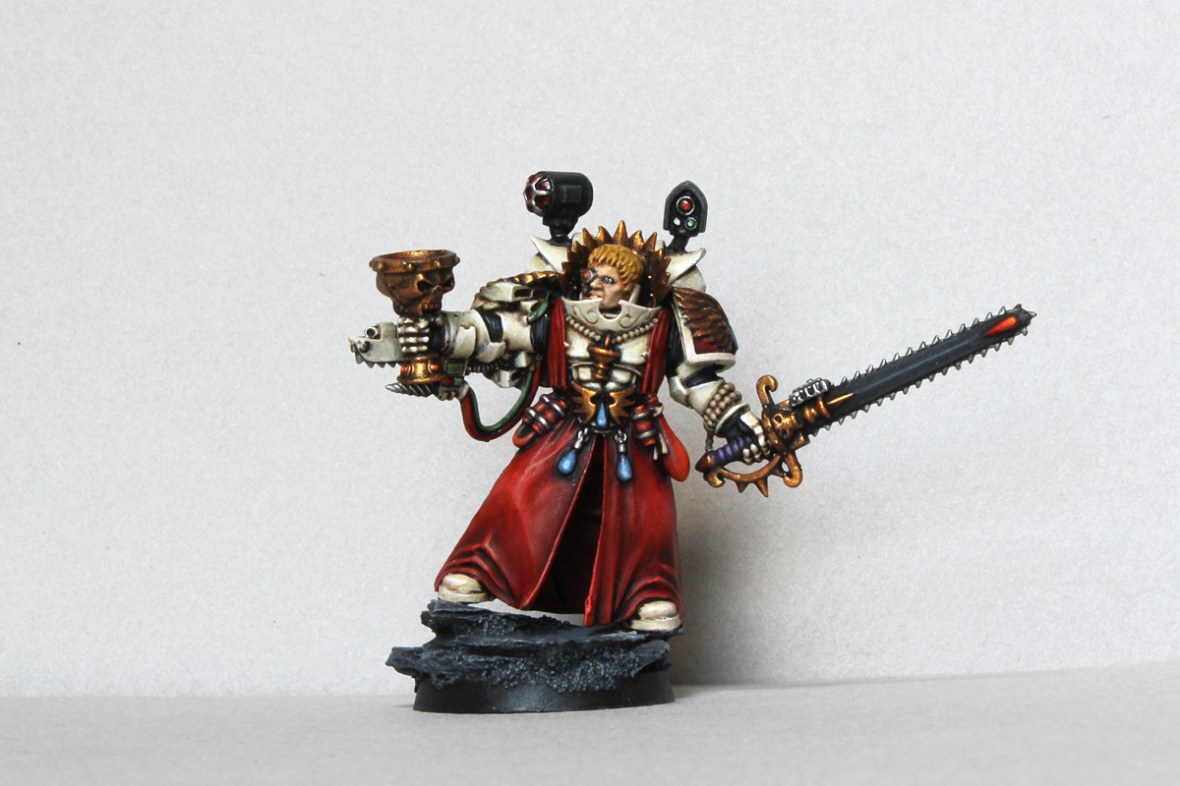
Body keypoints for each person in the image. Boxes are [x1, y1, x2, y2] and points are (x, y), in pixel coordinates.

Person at [401, 222, 766, 631]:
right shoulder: (558, 316)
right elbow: (496, 334)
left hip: (634, 437)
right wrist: (439, 333)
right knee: (518, 497)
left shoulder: (661, 326)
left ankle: (648, 592)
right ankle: (481, 568)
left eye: (608, 280)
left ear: (631, 288)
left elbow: (696, 381)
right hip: (563, 429)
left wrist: (739, 423)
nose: (594, 284)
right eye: (592, 275)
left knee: (646, 520)